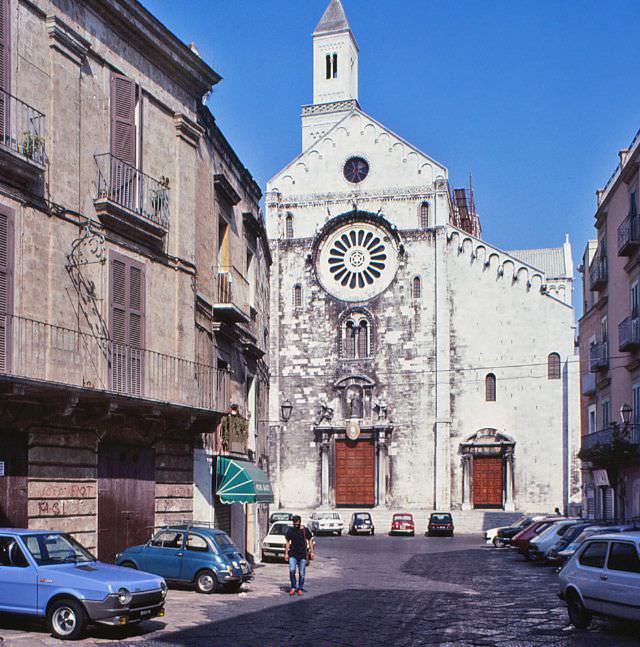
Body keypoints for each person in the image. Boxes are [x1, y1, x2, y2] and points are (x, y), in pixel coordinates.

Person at [284, 514, 314, 596]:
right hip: (293, 554)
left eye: (297, 523)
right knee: (292, 570)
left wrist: (311, 552)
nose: (295, 525)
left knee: (302, 573)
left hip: (302, 555)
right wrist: (286, 553)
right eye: (294, 523)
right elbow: (287, 542)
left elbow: (310, 539)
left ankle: (300, 588)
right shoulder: (290, 530)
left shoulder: (304, 530)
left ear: (300, 522)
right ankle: (293, 587)